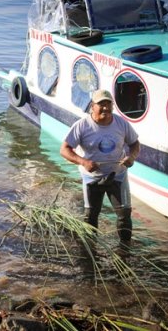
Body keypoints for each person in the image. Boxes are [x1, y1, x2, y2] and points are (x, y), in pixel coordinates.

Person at [60, 89, 140, 243]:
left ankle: (124, 252)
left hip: (118, 176)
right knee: (90, 217)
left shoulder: (121, 123)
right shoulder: (82, 126)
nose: (105, 108)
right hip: (92, 179)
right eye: (101, 104)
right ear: (92, 106)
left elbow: (135, 143)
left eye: (108, 104)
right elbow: (64, 150)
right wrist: (83, 162)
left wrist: (132, 157)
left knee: (124, 216)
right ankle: (90, 253)